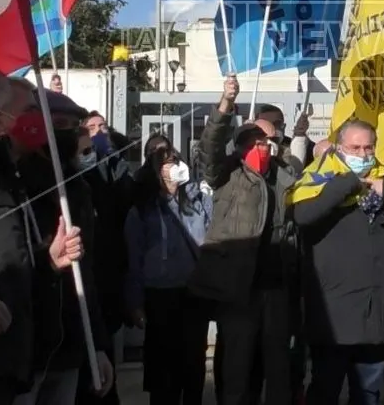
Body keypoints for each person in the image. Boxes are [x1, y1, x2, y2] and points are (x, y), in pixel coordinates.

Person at [289, 119, 384, 405]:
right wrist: (347, 183)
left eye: (368, 147)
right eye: (355, 148)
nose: (363, 154)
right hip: (333, 316)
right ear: (339, 149)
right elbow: (303, 216)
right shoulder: (318, 180)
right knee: (325, 390)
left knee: (368, 395)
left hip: (377, 315)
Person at [0, 74, 85, 404]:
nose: (41, 120)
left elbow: (10, 264)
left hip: (8, 359)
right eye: (30, 110)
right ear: (0, 119)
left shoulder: (14, 174)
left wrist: (49, 262)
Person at [191, 76, 298, 405]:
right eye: (252, 142)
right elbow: (209, 148)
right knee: (236, 369)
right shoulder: (227, 175)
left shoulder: (286, 175)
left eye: (265, 141)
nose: (260, 147)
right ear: (239, 146)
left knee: (279, 368)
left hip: (278, 289)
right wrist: (225, 105)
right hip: (239, 290)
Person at [15, 121, 113, 405]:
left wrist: (97, 345)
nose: (87, 154)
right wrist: (48, 261)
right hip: (25, 350)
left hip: (70, 339)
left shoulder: (81, 188)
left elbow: (86, 277)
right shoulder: (16, 186)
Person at [124, 134, 213, 405]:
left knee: (193, 365)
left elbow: (208, 235)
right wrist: (135, 303)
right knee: (163, 372)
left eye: (175, 158)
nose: (173, 165)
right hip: (158, 295)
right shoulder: (142, 208)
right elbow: (134, 258)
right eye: (165, 161)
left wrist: (190, 192)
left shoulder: (198, 200)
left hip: (193, 293)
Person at [76, 113, 134, 405]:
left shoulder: (116, 165)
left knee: (105, 343)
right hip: (86, 268)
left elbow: (126, 203)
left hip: (110, 271)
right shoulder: (78, 171)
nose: (99, 133)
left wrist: (114, 161)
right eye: (92, 128)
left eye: (103, 127)